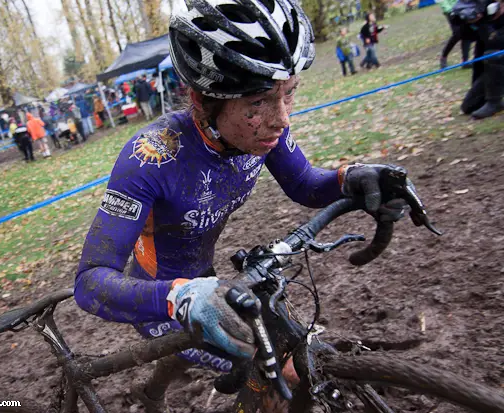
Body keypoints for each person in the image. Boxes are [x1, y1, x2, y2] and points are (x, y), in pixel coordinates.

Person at [74, 1, 410, 411]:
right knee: (280, 371)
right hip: (156, 298)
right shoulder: (149, 158)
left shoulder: (255, 134)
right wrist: (180, 298)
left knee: (243, 344)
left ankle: (152, 393)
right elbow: (90, 282)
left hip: (207, 278)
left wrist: (350, 178)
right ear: (202, 99)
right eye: (259, 103)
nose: (282, 119)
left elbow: (304, 183)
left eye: (289, 94)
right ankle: (163, 382)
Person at [458, 0, 504, 118]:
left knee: (494, 55)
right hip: (497, 69)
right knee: (469, 106)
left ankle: (495, 102)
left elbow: (496, 41)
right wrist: (473, 22)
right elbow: (463, 36)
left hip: (499, 60)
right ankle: (493, 98)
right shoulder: (488, 17)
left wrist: (482, 25)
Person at [438, 0, 473, 68]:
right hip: (451, 11)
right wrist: (450, 10)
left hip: (463, 8)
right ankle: (444, 56)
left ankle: (465, 61)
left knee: (466, 33)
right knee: (457, 34)